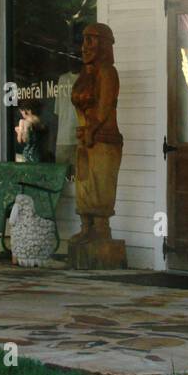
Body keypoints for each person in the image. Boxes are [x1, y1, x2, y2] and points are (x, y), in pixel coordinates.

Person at [69, 23, 123, 244]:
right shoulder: (86, 73)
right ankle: (86, 226)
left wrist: (92, 128)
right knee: (83, 183)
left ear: (103, 45)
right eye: (84, 41)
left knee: (100, 183)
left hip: (103, 139)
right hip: (85, 138)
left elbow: (104, 105)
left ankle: (101, 228)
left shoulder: (108, 72)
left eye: (91, 41)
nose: (85, 47)